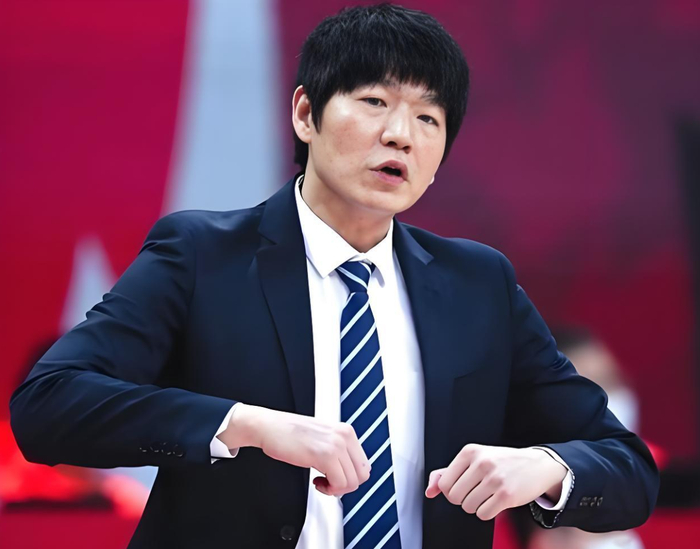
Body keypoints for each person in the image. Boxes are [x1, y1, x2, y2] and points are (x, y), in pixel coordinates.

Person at [9, 4, 658, 548]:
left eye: (428, 118)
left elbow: (626, 465)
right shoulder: (203, 256)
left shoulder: (477, 286)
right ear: (305, 114)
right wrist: (244, 424)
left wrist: (544, 466)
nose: (400, 134)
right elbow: (48, 405)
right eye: (374, 101)